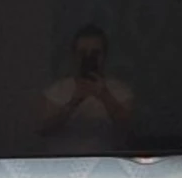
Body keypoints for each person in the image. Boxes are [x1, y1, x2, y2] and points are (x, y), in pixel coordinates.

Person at [39, 24, 135, 153]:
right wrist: (74, 102)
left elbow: (128, 130)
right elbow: (44, 130)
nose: (89, 58)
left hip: (108, 162)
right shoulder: (56, 91)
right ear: (74, 56)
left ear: (104, 56)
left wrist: (105, 95)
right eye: (82, 53)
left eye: (95, 53)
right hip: (63, 162)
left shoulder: (120, 91)